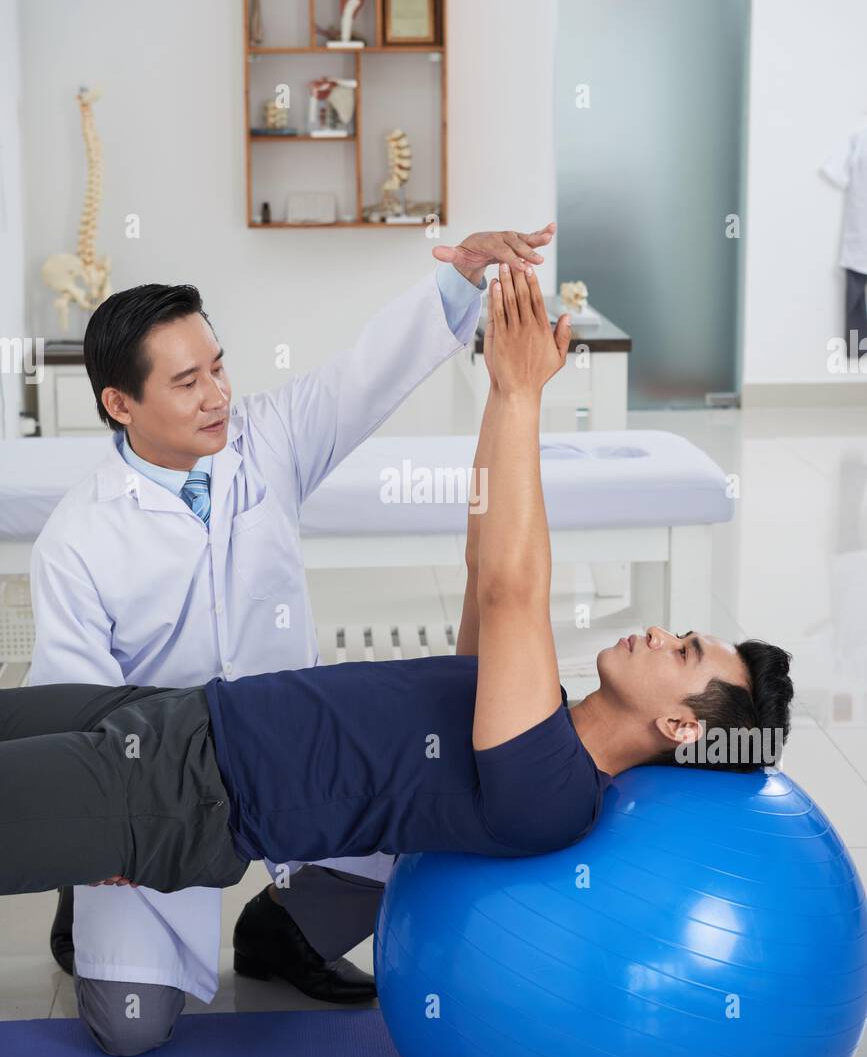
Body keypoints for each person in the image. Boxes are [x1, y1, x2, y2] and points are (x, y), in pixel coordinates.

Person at [2, 262, 795, 896]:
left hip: (183, 791)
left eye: (685, 651)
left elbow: (510, 591)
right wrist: (500, 391)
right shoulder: (536, 710)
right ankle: (285, 937)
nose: (664, 632)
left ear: (682, 728)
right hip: (180, 711)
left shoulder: (554, 792)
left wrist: (524, 396)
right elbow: (485, 560)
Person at [29, 221, 556, 1057]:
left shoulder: (265, 441)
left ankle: (279, 933)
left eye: (219, 368)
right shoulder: (77, 538)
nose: (217, 397)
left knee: (422, 808)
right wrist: (100, 838)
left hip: (300, 752)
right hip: (163, 786)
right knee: (131, 1034)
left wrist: (459, 280)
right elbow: (75, 700)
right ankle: (85, 906)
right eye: (187, 383)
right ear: (119, 404)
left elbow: (362, 378)